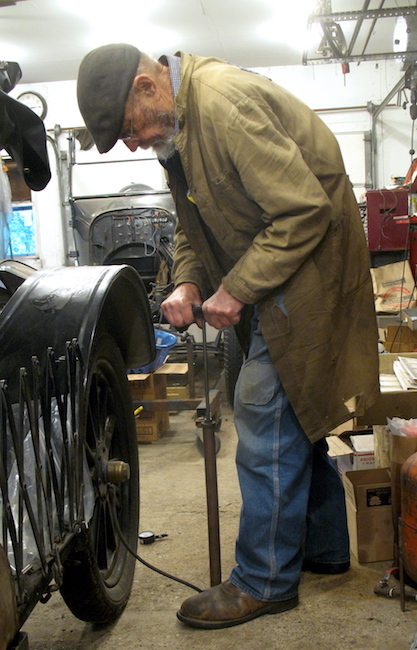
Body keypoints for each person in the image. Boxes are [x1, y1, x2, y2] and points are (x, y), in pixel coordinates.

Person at [77, 43, 380, 630]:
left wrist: (235, 289)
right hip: (276, 270)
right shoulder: (176, 133)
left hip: (309, 268)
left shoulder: (221, 105)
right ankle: (324, 547)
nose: (133, 144)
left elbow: (303, 210)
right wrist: (189, 280)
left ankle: (265, 580)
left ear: (146, 86)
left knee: (262, 410)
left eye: (129, 130)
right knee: (296, 409)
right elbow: (192, 225)